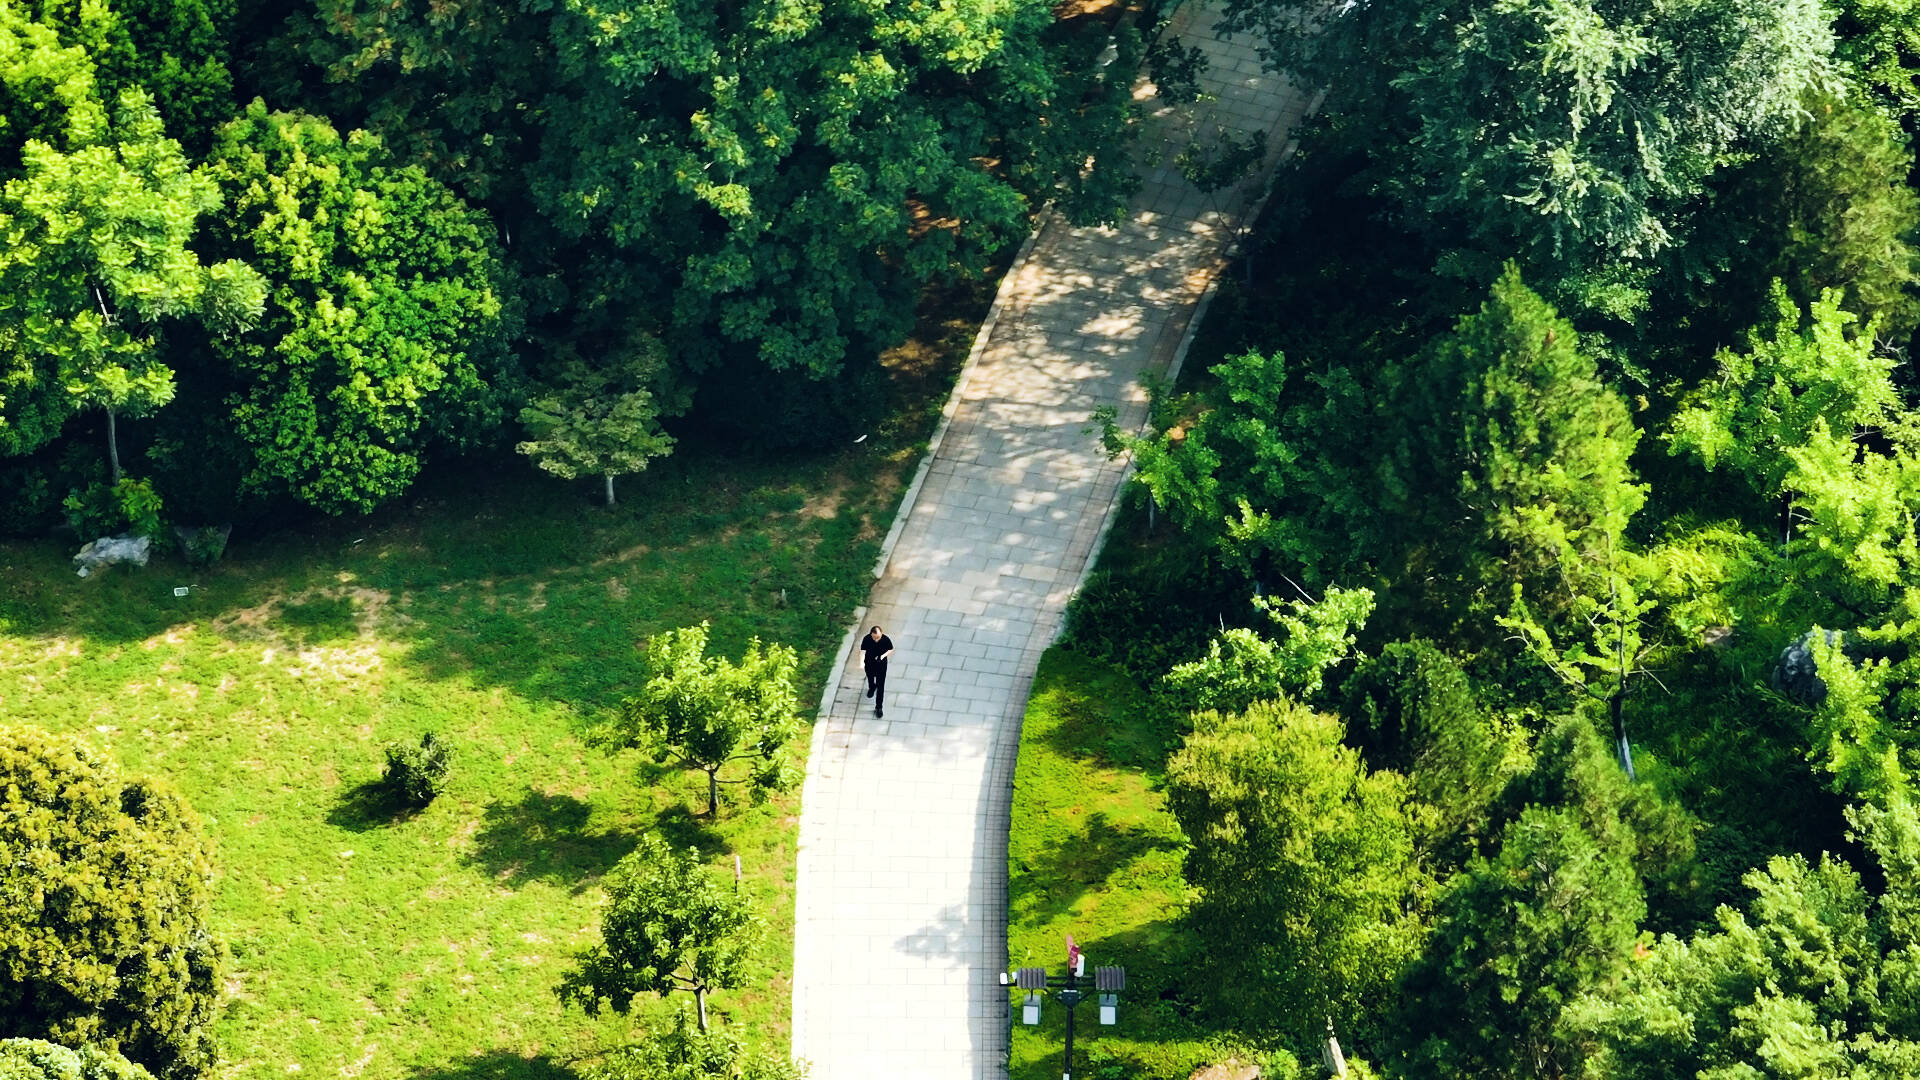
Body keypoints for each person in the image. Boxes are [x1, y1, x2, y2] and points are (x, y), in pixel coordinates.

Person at [859, 625, 894, 718]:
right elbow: (862, 651)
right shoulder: (867, 639)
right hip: (869, 663)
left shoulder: (885, 639)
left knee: (881, 686)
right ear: (871, 634)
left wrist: (882, 656)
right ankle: (872, 687)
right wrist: (861, 662)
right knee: (870, 677)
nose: (876, 639)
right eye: (874, 637)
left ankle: (879, 707)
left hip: (881, 665)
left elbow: (890, 649)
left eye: (878, 637)